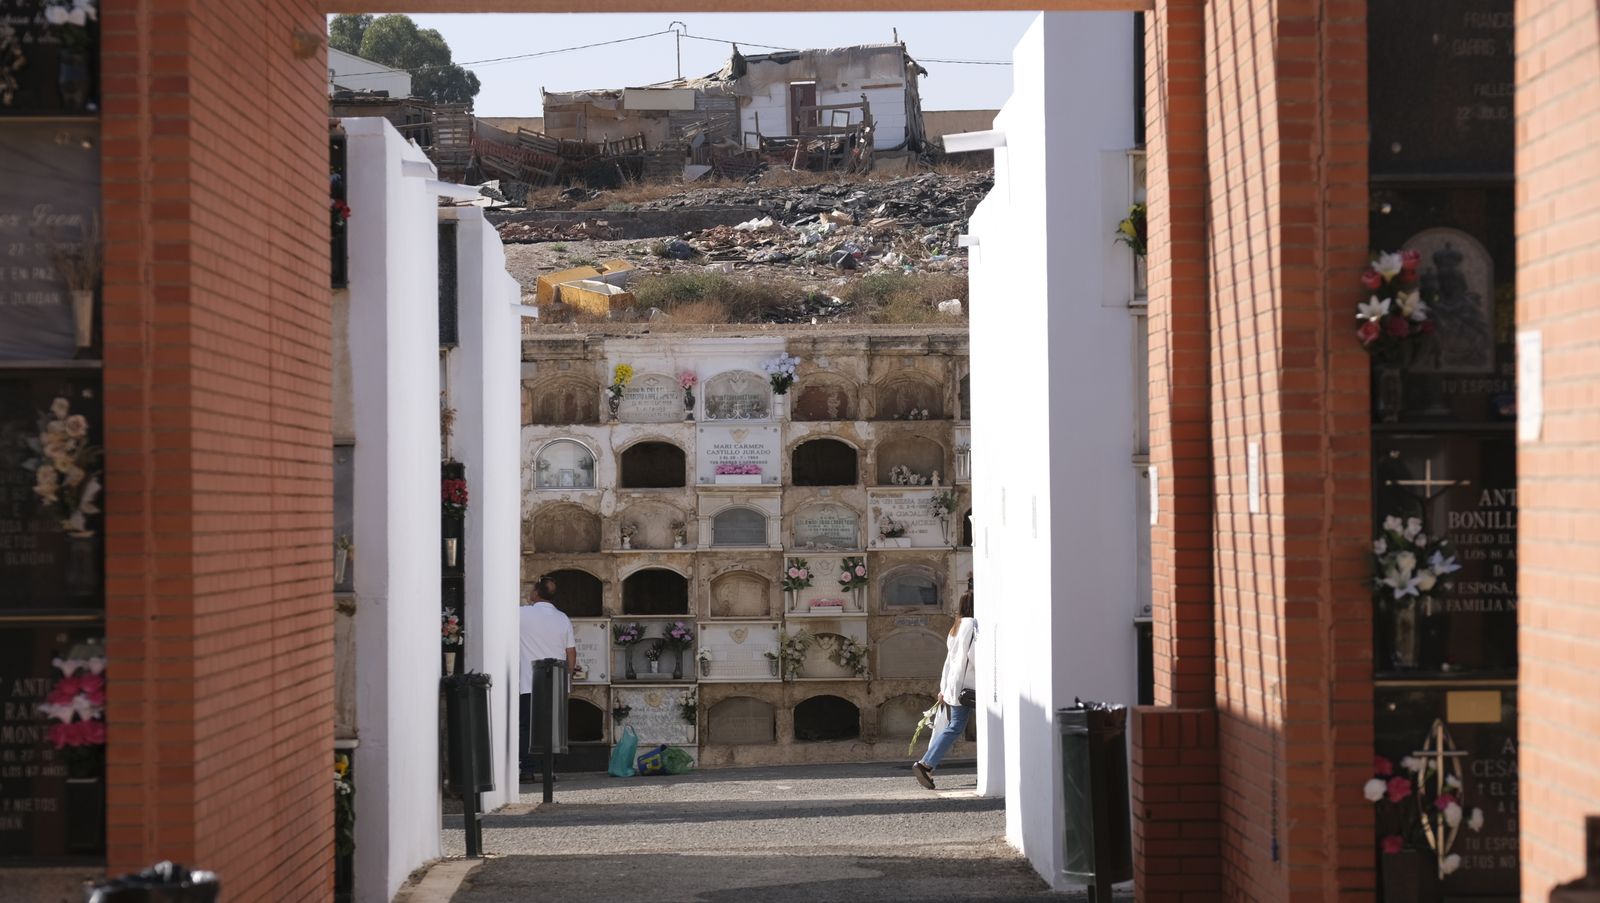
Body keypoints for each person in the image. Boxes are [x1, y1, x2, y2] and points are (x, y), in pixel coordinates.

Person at [913, 586, 976, 790]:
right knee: (964, 727)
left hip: (954, 685)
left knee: (955, 726)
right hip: (968, 685)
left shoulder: (955, 627)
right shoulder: (971, 625)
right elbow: (974, 656)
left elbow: (949, 660)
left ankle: (927, 764)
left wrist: (944, 688)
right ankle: (925, 764)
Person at [520, 574, 576, 784]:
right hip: (555, 683)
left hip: (527, 681)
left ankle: (526, 770)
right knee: (551, 728)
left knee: (526, 726)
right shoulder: (562, 618)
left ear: (535, 593)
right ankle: (548, 770)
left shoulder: (521, 614)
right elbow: (571, 652)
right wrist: (568, 679)